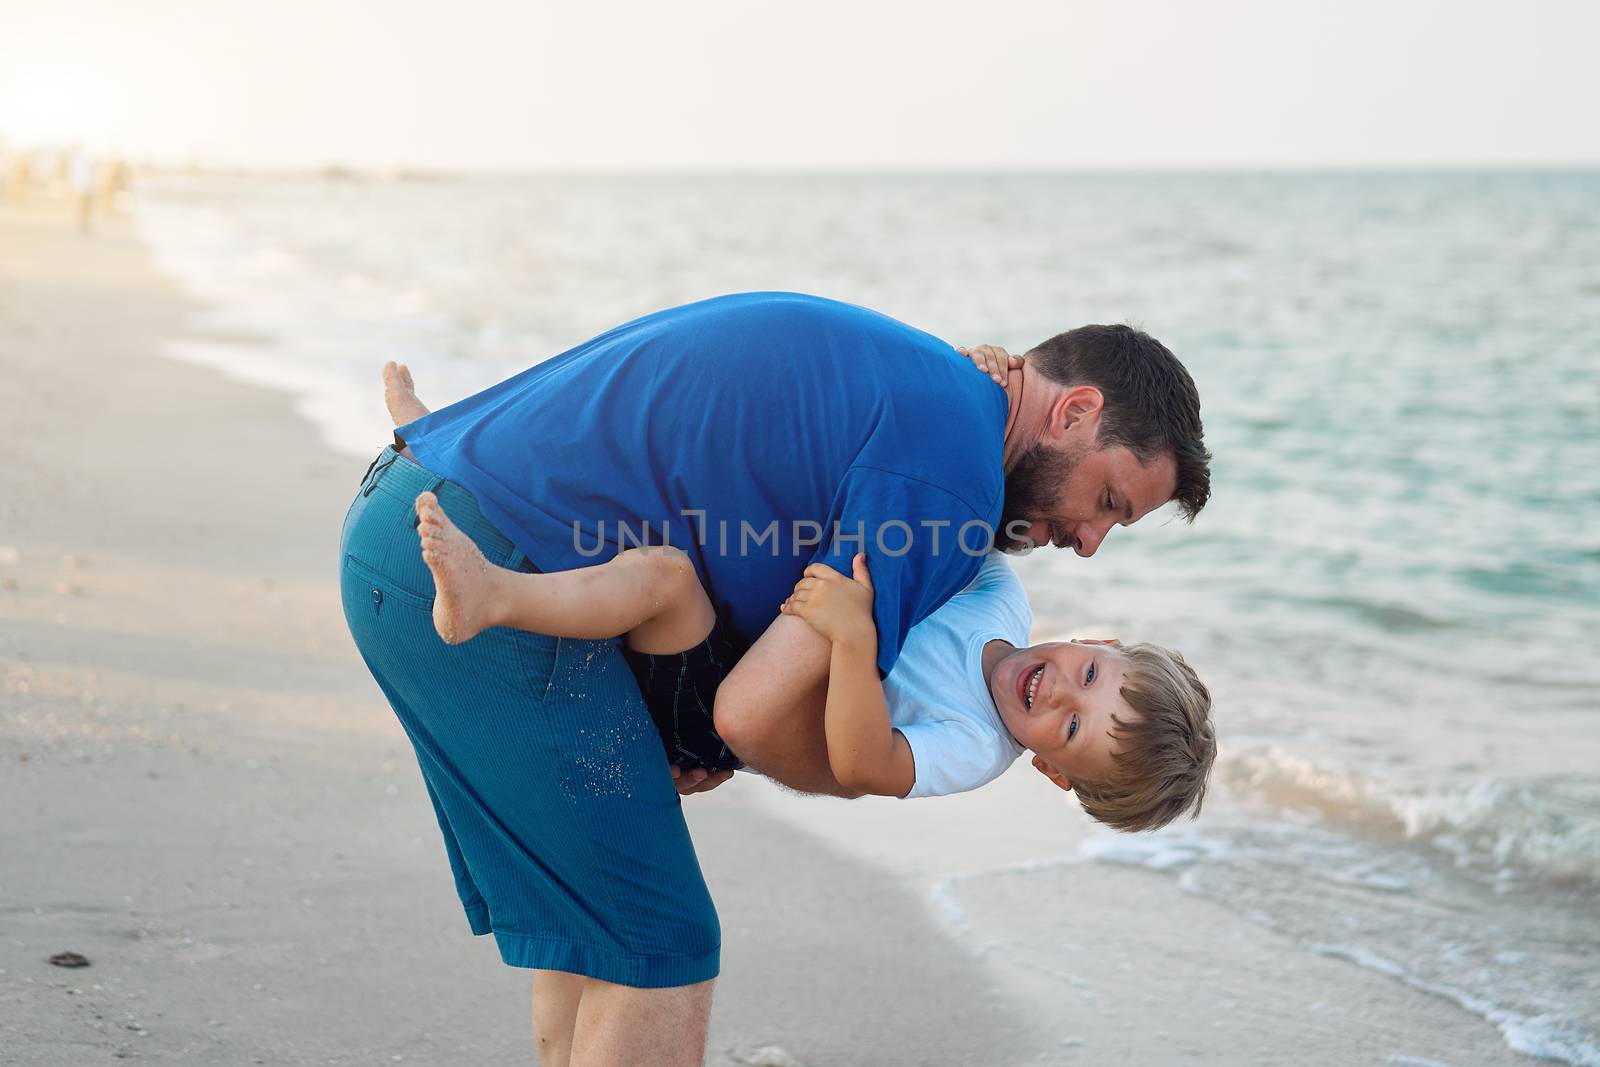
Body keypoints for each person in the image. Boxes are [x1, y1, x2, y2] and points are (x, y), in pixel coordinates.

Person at [340, 292, 1210, 1066]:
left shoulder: (935, 393)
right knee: (657, 948)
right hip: (477, 560)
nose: (1091, 542)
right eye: (1110, 503)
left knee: (594, 936)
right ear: (1076, 411)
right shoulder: (949, 485)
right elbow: (750, 712)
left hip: (412, 498)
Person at [386, 360, 1215, 823]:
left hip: (722, 695)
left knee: (664, 575)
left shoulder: (974, 748)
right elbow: (972, 505)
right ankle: (450, 430)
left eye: (1071, 726)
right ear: (1098, 642)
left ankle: (492, 596)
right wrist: (989, 381)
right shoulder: (1002, 602)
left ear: (1052, 773)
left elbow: (864, 763)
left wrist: (855, 645)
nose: (1061, 688)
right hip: (746, 640)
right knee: (635, 512)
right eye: (1092, 677)